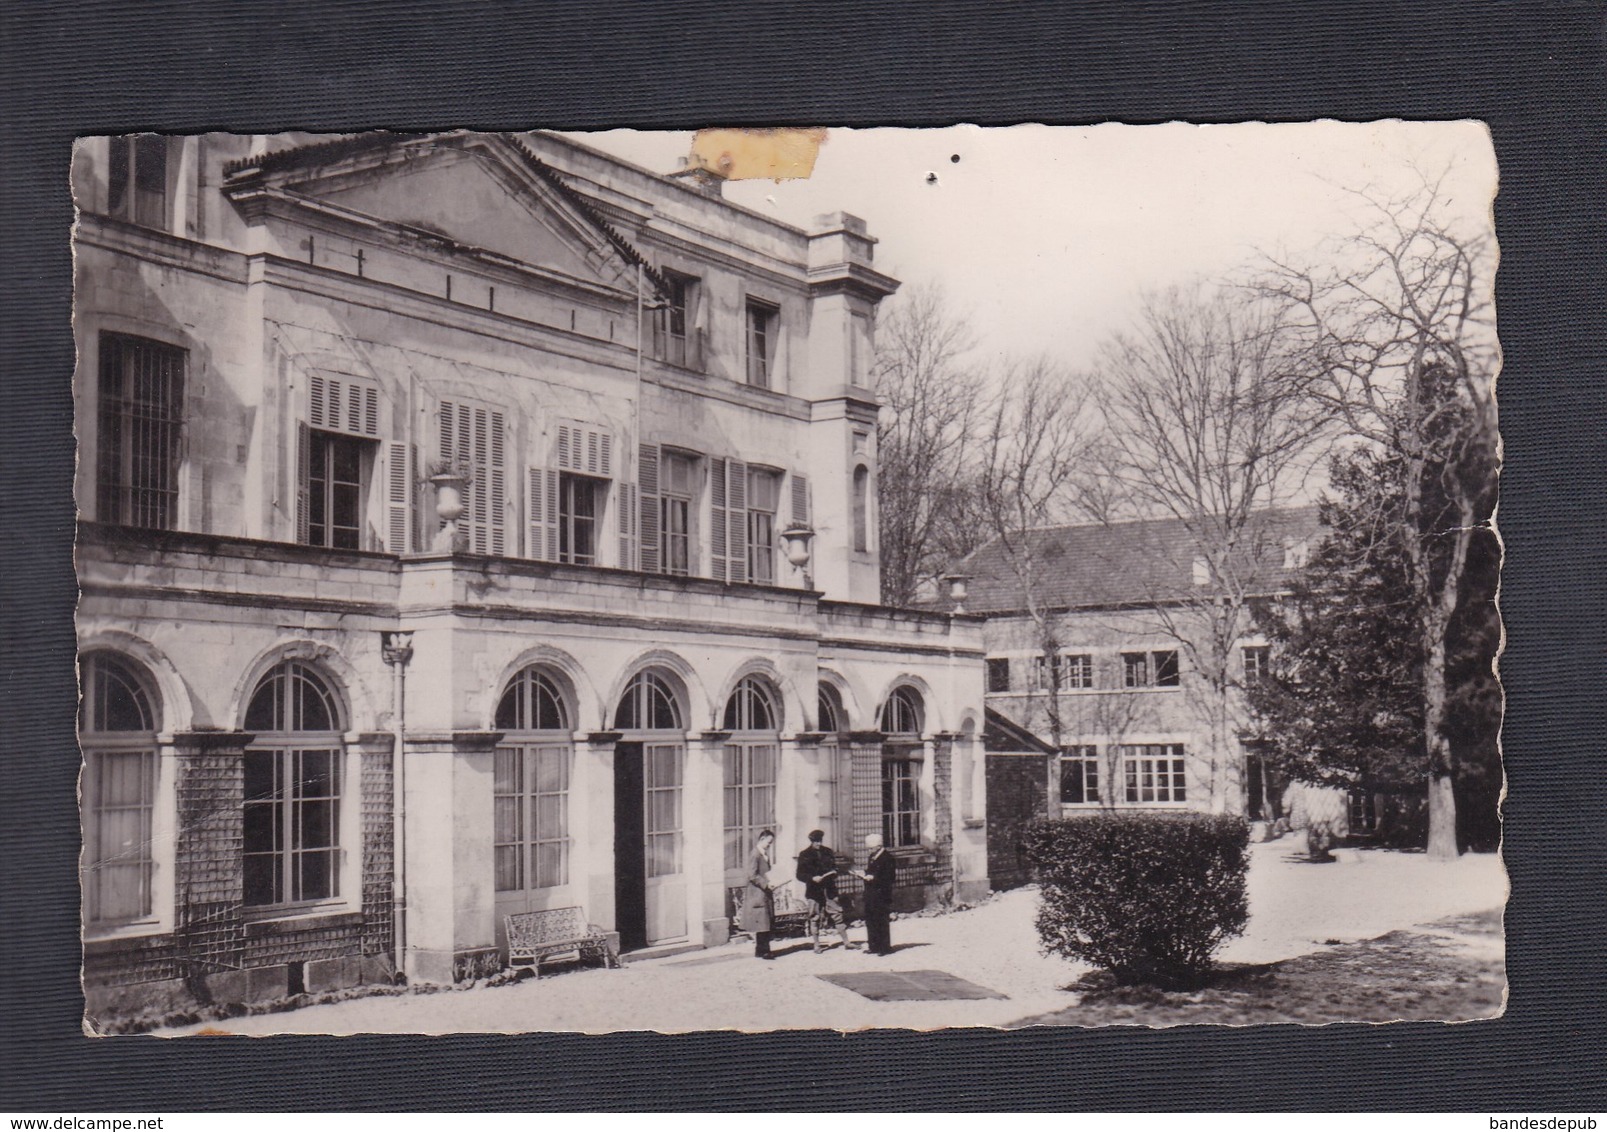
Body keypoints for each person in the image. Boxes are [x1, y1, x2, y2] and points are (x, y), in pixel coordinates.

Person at [796, 829, 852, 953]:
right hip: (814, 891)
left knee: (837, 914)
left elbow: (834, 868)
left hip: (829, 889)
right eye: (816, 841)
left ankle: (847, 942)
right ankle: (817, 945)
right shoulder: (804, 854)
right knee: (814, 917)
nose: (819, 844)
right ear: (811, 841)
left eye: (820, 841)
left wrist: (834, 872)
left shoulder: (828, 852)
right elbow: (799, 875)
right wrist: (811, 878)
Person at [855, 833, 897, 956]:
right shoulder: (872, 857)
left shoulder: (888, 858)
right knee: (871, 919)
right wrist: (863, 873)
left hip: (881, 894)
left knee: (881, 920)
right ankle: (873, 946)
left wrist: (873, 878)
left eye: (871, 848)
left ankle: (884, 947)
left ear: (878, 846)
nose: (869, 851)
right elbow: (871, 871)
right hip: (870, 894)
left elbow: (890, 877)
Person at [739, 829, 778, 960]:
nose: (769, 845)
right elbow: (752, 875)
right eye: (769, 842)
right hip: (758, 894)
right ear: (762, 839)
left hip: (763, 893)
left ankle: (761, 950)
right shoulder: (755, 854)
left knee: (765, 922)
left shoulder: (762, 854)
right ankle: (765, 951)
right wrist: (766, 884)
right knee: (762, 922)